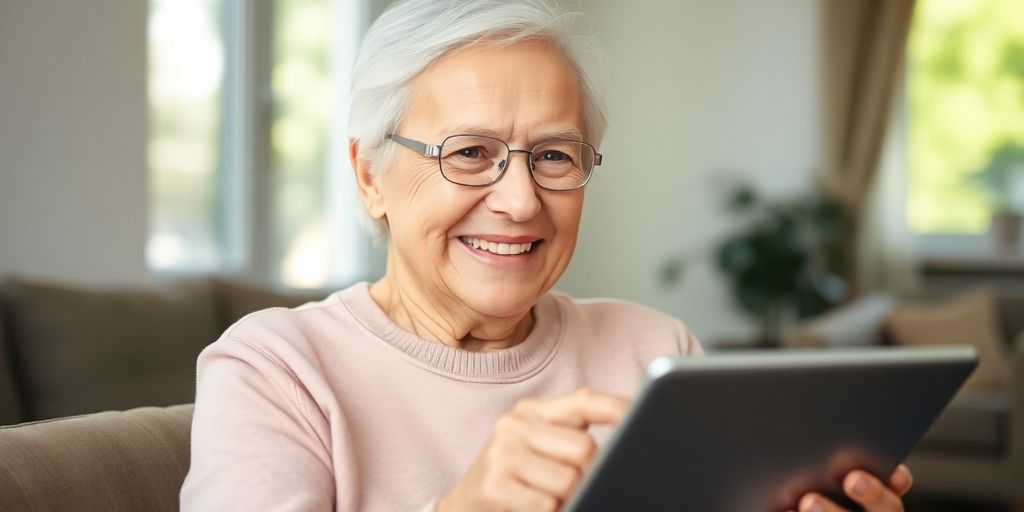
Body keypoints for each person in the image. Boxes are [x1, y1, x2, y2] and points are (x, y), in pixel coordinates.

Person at [180, 0, 914, 510]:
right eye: (471, 152)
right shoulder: (274, 370)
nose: (522, 201)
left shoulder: (657, 352)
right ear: (370, 175)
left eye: (555, 156)